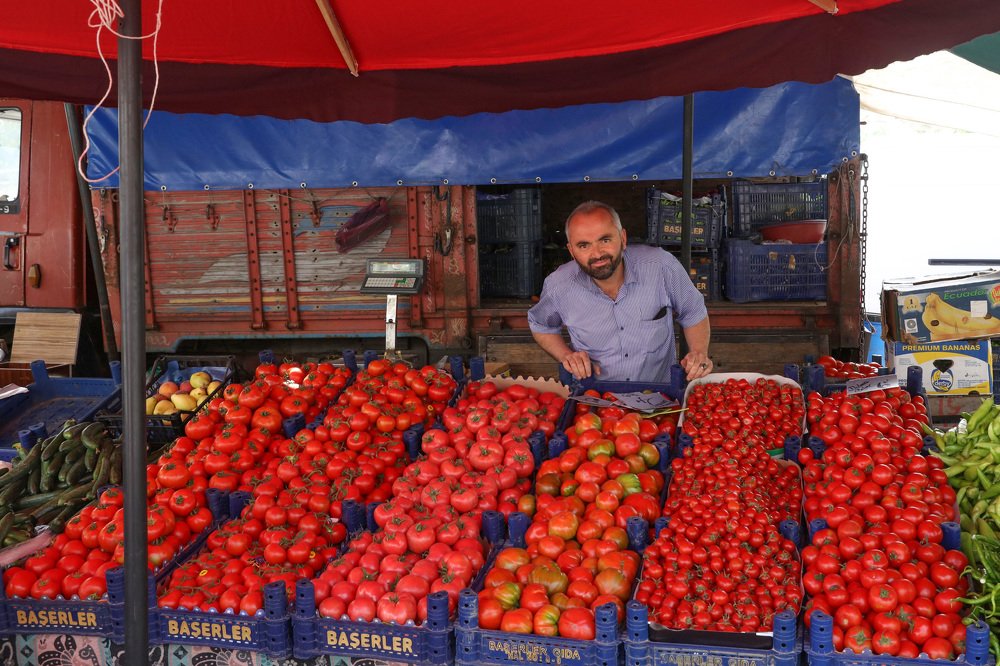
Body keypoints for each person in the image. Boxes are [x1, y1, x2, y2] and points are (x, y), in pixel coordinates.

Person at [528, 200, 713, 383]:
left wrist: (699, 353)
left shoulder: (661, 266)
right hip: (592, 396)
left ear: (623, 238)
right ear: (571, 251)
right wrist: (566, 355)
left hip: (660, 394)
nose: (597, 254)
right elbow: (541, 325)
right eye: (584, 245)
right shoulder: (559, 285)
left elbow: (693, 311)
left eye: (605, 240)